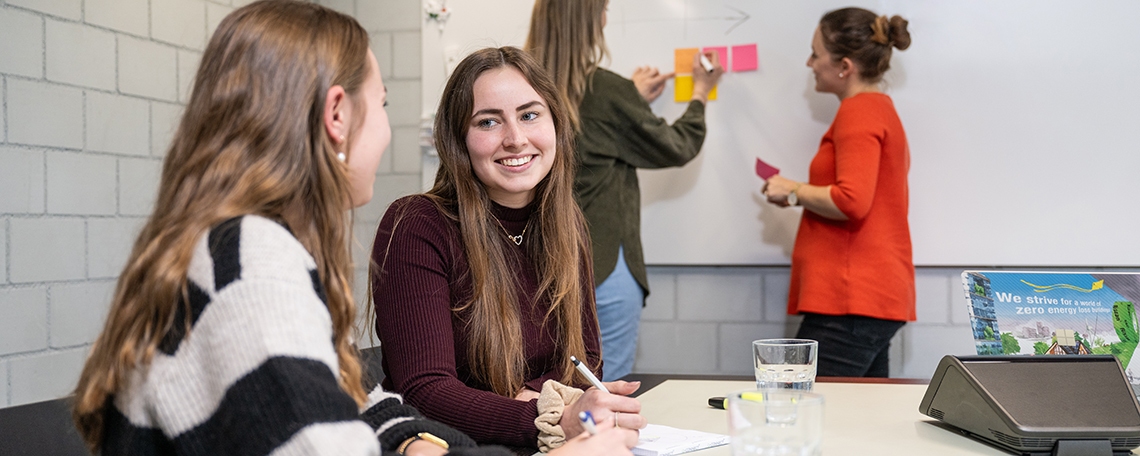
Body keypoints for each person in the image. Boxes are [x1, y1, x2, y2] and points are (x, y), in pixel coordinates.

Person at [69, 2, 634, 455]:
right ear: (338, 115)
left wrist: (413, 438)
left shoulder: (245, 247)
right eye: (383, 104)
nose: (386, 129)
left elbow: (354, 398)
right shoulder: (250, 263)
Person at [370, 46, 646, 451]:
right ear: (458, 139)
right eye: (488, 122)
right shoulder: (416, 224)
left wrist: (539, 402)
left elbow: (584, 360)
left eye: (530, 115)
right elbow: (424, 391)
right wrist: (547, 413)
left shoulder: (567, 224)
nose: (516, 139)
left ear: (556, 124)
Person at [525, 0, 725, 381]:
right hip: (602, 265)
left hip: (535, 268)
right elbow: (677, 146)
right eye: (603, 11)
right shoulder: (607, 92)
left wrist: (630, 97)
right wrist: (700, 92)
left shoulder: (523, 92)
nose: (606, 18)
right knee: (604, 391)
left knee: (543, 392)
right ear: (590, 22)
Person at [762, 7, 915, 378]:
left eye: (816, 53)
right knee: (862, 419)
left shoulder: (858, 112)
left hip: (851, 300)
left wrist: (793, 189)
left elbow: (851, 200)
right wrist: (798, 195)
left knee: (804, 408)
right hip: (865, 299)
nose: (809, 62)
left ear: (845, 65)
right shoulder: (877, 109)